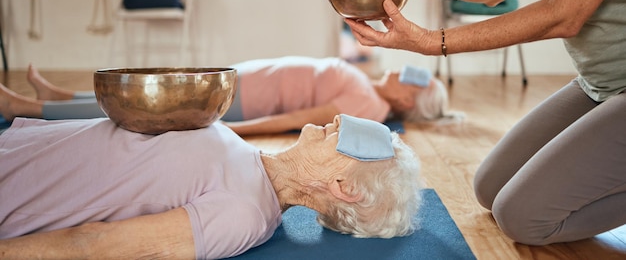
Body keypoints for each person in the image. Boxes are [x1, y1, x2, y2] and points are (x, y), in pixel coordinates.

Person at [346, 0, 626, 247]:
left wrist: (431, 41)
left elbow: (565, 12)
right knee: (490, 187)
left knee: (523, 218)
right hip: (599, 82)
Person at [0, 114, 422, 259]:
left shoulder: (244, 215)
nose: (338, 121)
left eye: (348, 138)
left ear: (341, 185)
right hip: (21, 145)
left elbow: (94, 245)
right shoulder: (248, 155)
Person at [0, 57, 453, 136]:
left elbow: (298, 118)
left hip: (240, 103)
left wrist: (236, 128)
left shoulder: (369, 106)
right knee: (141, 92)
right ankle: (58, 95)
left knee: (140, 106)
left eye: (414, 78)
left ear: (409, 101)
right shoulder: (368, 83)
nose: (403, 70)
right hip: (241, 82)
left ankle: (26, 108)